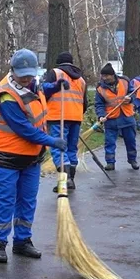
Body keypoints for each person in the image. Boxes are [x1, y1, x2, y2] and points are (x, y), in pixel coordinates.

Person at [0, 49, 68, 263]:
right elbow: (23, 128)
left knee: (28, 200)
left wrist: (56, 87)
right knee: (5, 200)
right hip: (5, 156)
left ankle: (22, 241)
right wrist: (52, 141)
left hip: (31, 156)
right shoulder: (6, 95)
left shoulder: (32, 83)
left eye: (30, 74)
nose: (27, 79)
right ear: (12, 71)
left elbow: (39, 93)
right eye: (23, 75)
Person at [42, 52, 87, 192]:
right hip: (76, 117)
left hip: (58, 116)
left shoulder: (55, 73)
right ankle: (71, 180)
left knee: (58, 148)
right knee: (72, 149)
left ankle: (64, 180)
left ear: (58, 62)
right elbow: (85, 102)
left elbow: (44, 91)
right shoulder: (81, 80)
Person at [95, 63, 138, 171]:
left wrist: (130, 99)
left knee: (131, 140)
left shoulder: (125, 81)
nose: (104, 78)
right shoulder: (100, 88)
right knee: (109, 142)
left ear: (112, 75)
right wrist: (101, 115)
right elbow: (99, 104)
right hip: (111, 118)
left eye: (106, 76)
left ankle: (132, 160)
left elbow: (133, 93)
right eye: (102, 76)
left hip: (127, 115)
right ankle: (110, 162)